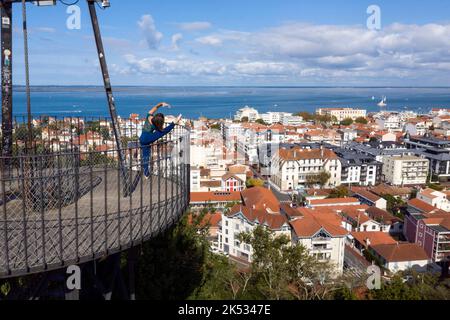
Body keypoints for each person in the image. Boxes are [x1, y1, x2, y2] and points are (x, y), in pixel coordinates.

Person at [140, 102, 182, 178]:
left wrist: (161, 104)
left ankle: (146, 172)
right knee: (162, 132)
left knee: (145, 155)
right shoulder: (156, 126)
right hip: (148, 138)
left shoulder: (149, 116)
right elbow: (165, 130)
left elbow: (155, 108)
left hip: (142, 137)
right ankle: (146, 173)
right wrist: (175, 121)